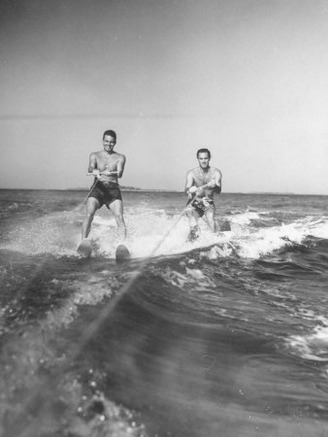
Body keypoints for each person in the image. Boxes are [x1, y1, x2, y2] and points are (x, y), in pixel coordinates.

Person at [81, 130, 126, 243]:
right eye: (106, 141)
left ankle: (123, 244)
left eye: (111, 142)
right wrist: (97, 171)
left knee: (119, 216)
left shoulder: (120, 157)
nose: (108, 144)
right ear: (103, 141)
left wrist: (113, 172)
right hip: (98, 188)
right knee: (89, 214)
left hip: (113, 190)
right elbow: (90, 168)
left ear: (115, 142)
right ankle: (83, 241)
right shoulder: (94, 155)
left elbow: (120, 173)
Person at [185, 148, 222, 241]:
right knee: (192, 221)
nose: (203, 161)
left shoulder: (216, 173)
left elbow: (218, 191)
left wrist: (214, 186)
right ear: (198, 159)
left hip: (208, 202)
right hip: (194, 202)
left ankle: (213, 241)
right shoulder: (191, 173)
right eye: (201, 158)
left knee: (210, 218)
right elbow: (186, 189)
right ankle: (191, 241)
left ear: (209, 158)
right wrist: (189, 191)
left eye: (205, 158)